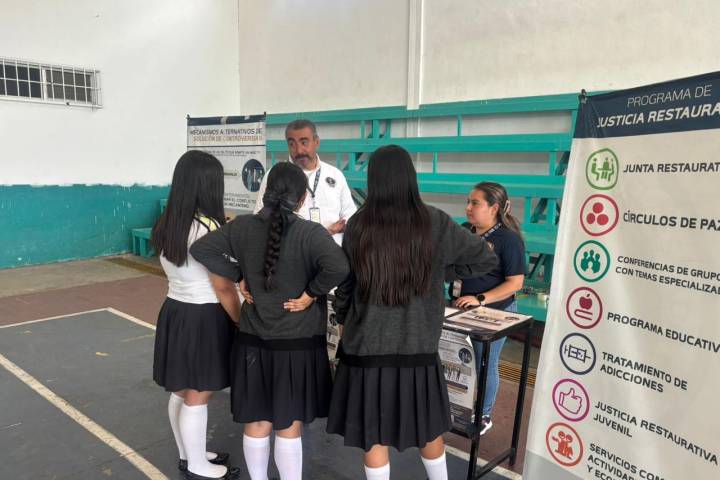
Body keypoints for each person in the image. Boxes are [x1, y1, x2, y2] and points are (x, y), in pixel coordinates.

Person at [326, 145, 498, 480]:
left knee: (373, 433)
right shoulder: (434, 221)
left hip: (366, 346)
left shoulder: (360, 224)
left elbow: (347, 284)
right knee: (427, 428)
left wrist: (344, 322)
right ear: (410, 177)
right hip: (417, 345)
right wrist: (440, 271)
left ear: (374, 180)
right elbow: (485, 259)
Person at [191, 161, 350, 480]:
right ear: (302, 199)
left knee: (258, 420)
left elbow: (201, 249)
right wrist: (311, 293)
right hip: (297, 344)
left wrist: (239, 275)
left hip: (253, 341)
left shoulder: (242, 226)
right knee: (288, 424)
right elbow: (340, 268)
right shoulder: (311, 233)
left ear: (265, 192)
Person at [151, 150, 237, 480]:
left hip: (175, 309)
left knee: (181, 389)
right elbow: (223, 287)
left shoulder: (167, 222)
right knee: (199, 393)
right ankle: (199, 466)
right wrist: (240, 320)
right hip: (204, 316)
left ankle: (189, 454)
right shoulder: (207, 228)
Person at [451, 182, 526, 436]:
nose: (468, 208)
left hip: (493, 311)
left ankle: (483, 414)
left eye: (475, 203)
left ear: (494, 208)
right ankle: (455, 405)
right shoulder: (464, 230)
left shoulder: (509, 240)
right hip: (461, 308)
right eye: (468, 202)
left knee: (485, 363)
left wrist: (480, 299)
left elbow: (515, 283)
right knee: (457, 360)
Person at [253, 119, 357, 246]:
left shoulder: (335, 175)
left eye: (304, 142)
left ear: (316, 142)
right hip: (292, 252)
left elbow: (350, 217)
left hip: (332, 251)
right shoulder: (275, 175)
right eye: (292, 144)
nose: (299, 151)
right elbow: (261, 220)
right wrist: (326, 232)